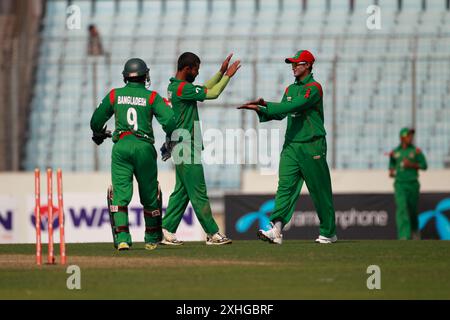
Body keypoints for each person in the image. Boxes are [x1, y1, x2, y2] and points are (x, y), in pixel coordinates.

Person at [238, 50, 337, 244]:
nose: (293, 67)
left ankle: (329, 232)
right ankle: (276, 231)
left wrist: (265, 104)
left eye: (297, 63)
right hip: (291, 145)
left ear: (308, 65)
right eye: (291, 64)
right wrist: (261, 109)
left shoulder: (314, 88)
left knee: (319, 190)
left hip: (312, 145)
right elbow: (281, 113)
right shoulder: (290, 89)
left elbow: (292, 107)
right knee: (285, 188)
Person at [90, 58, 176, 251]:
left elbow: (95, 121)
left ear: (125, 77)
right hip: (144, 148)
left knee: (120, 195)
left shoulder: (115, 95)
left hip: (121, 147)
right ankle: (152, 239)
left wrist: (99, 131)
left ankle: (122, 239)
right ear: (145, 76)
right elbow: (171, 122)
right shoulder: (152, 97)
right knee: (149, 194)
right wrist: (169, 137)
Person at [161, 52, 241, 246]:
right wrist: (228, 76)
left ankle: (167, 229)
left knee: (182, 192)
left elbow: (203, 88)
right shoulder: (182, 88)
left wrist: (220, 72)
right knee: (198, 191)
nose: (197, 72)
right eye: (196, 68)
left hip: (181, 145)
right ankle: (212, 233)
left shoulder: (176, 87)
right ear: (187, 68)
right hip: (186, 146)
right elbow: (212, 93)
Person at [389, 127, 428, 240]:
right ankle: (404, 236)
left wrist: (411, 165)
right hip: (400, 184)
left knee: (412, 210)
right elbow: (391, 166)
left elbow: (424, 166)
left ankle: (415, 231)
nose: (411, 138)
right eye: (408, 136)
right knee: (402, 208)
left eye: (411, 136)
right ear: (402, 137)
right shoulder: (395, 152)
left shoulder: (416, 151)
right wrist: (391, 171)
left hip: (412, 184)